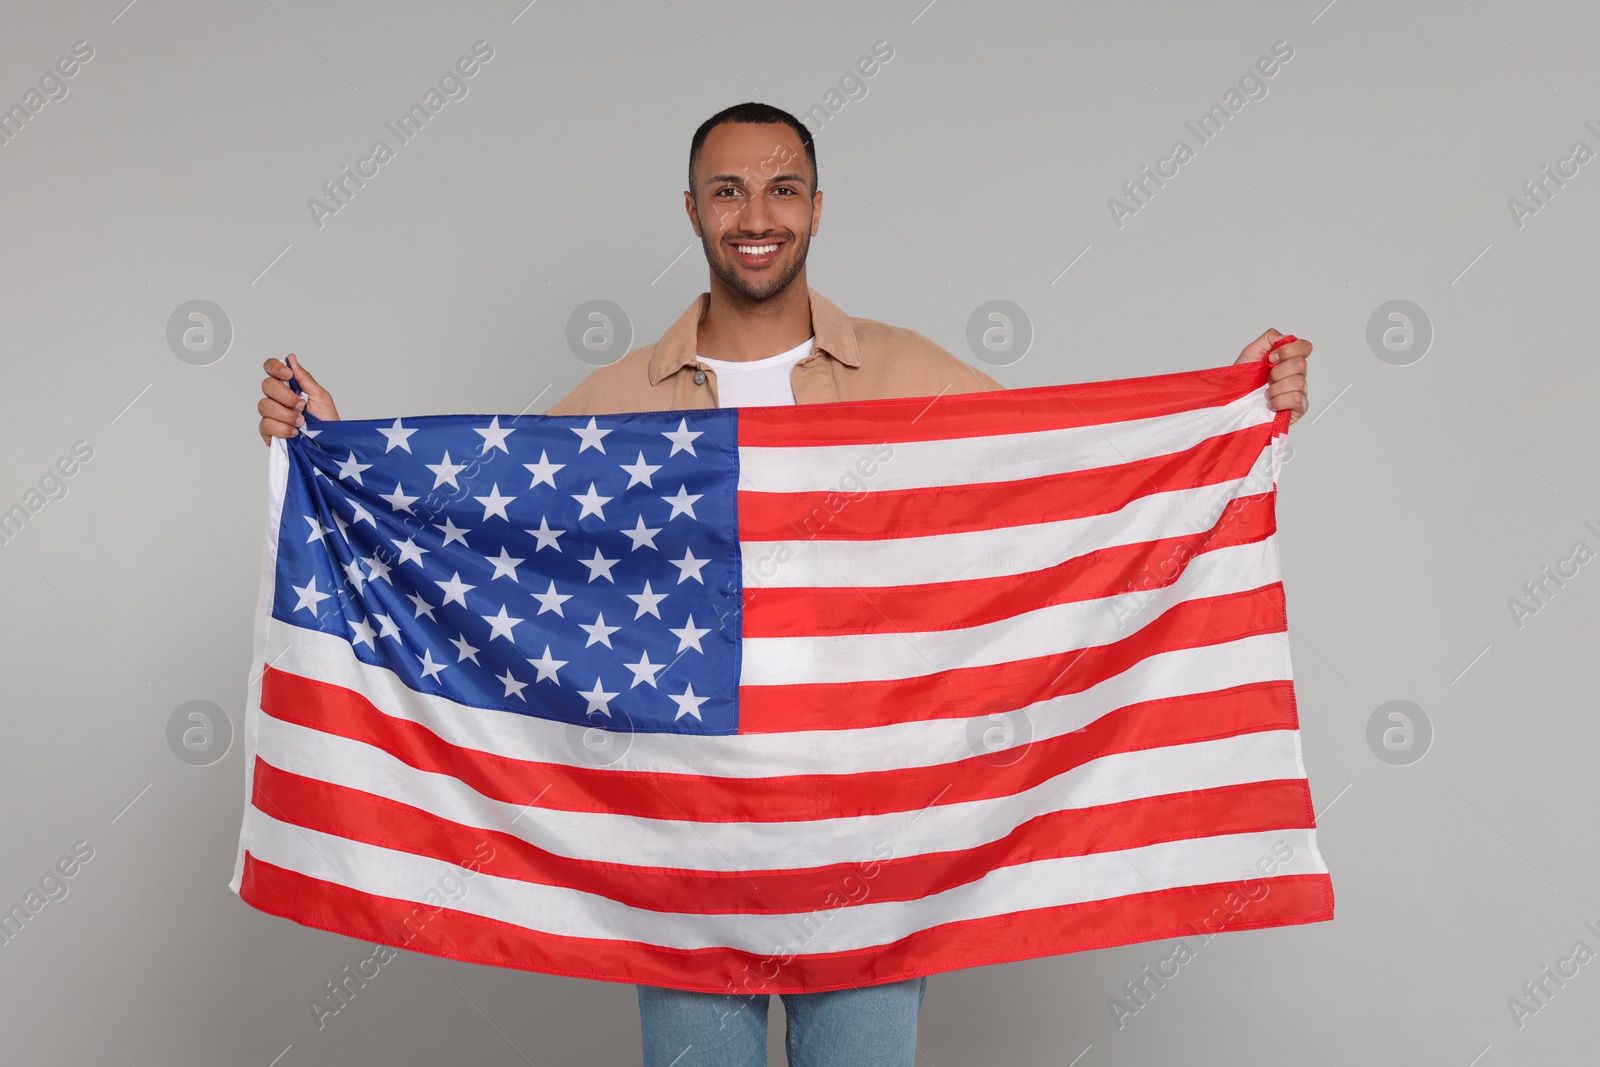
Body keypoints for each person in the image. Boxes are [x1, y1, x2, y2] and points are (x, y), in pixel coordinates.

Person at [256, 102, 1312, 1067]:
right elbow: (497, 554)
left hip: (873, 847)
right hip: (681, 847)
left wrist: (1226, 426)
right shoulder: (617, 399)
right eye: (727, 190)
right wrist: (339, 461)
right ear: (691, 211)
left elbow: (1064, 511)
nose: (754, 215)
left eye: (780, 188)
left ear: (815, 207)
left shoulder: (916, 378)